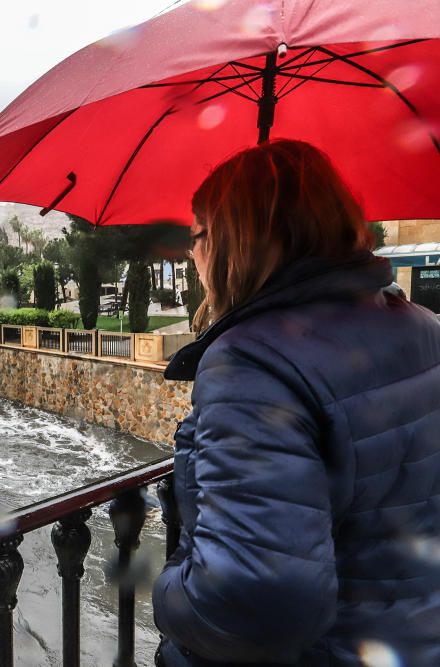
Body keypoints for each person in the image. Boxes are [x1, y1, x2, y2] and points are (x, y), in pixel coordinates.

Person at [153, 140, 440, 666]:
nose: (192, 254)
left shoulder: (252, 364)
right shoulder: (422, 327)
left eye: (196, 235)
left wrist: (168, 586)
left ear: (234, 240)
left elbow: (254, 605)